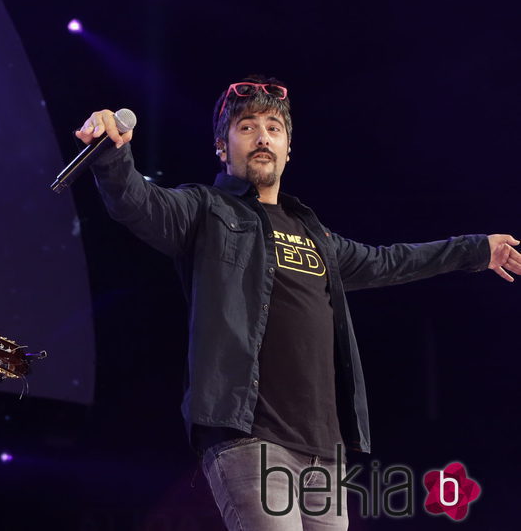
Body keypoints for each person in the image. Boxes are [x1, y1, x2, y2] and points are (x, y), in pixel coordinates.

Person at [76, 78, 520, 530]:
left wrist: (478, 249)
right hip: (248, 436)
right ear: (222, 148)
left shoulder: (315, 234)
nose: (263, 136)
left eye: (273, 127)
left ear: (288, 148)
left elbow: (390, 261)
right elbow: (137, 202)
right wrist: (112, 153)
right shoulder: (204, 210)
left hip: (325, 449)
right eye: (247, 127)